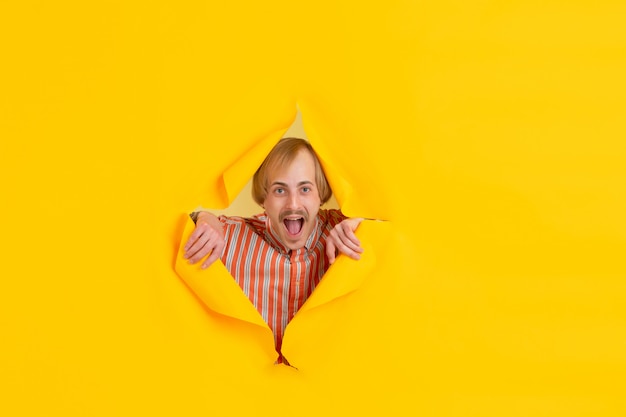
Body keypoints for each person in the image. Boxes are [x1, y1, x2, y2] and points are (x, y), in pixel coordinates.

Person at [183, 137, 364, 363]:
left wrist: (362, 224)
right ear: (264, 199)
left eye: (305, 189)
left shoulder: (346, 232)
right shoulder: (231, 238)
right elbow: (173, 229)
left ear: (321, 195)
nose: (293, 204)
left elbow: (404, 229)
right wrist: (202, 218)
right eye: (280, 190)